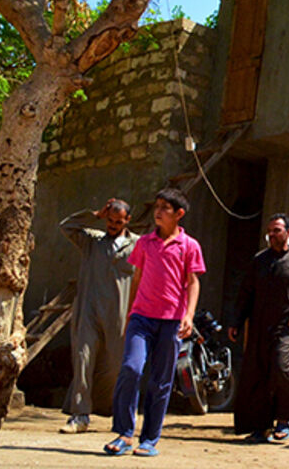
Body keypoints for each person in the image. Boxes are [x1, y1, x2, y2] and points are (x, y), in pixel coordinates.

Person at [104, 188, 204, 457]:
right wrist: (129, 314)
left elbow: (193, 282)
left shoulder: (190, 246)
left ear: (179, 214)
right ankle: (124, 432)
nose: (157, 211)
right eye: (157, 206)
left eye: (165, 208)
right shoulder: (145, 243)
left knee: (160, 381)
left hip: (171, 321)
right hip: (141, 318)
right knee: (131, 368)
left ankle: (149, 439)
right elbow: (136, 279)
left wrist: (189, 315)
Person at [228, 213, 289, 444]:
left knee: (282, 369)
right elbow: (245, 293)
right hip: (260, 328)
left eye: (276, 230)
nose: (271, 234)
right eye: (269, 231)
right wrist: (236, 322)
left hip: (288, 328)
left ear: (288, 233)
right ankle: (261, 426)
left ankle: (284, 420)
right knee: (258, 375)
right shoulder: (259, 260)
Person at [59, 198, 136, 434]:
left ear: (127, 220)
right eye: (110, 221)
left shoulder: (137, 246)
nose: (112, 225)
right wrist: (94, 214)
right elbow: (66, 226)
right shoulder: (92, 240)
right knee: (83, 358)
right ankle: (79, 414)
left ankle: (108, 409)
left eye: (118, 222)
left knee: (115, 365)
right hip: (88, 310)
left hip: (119, 315)